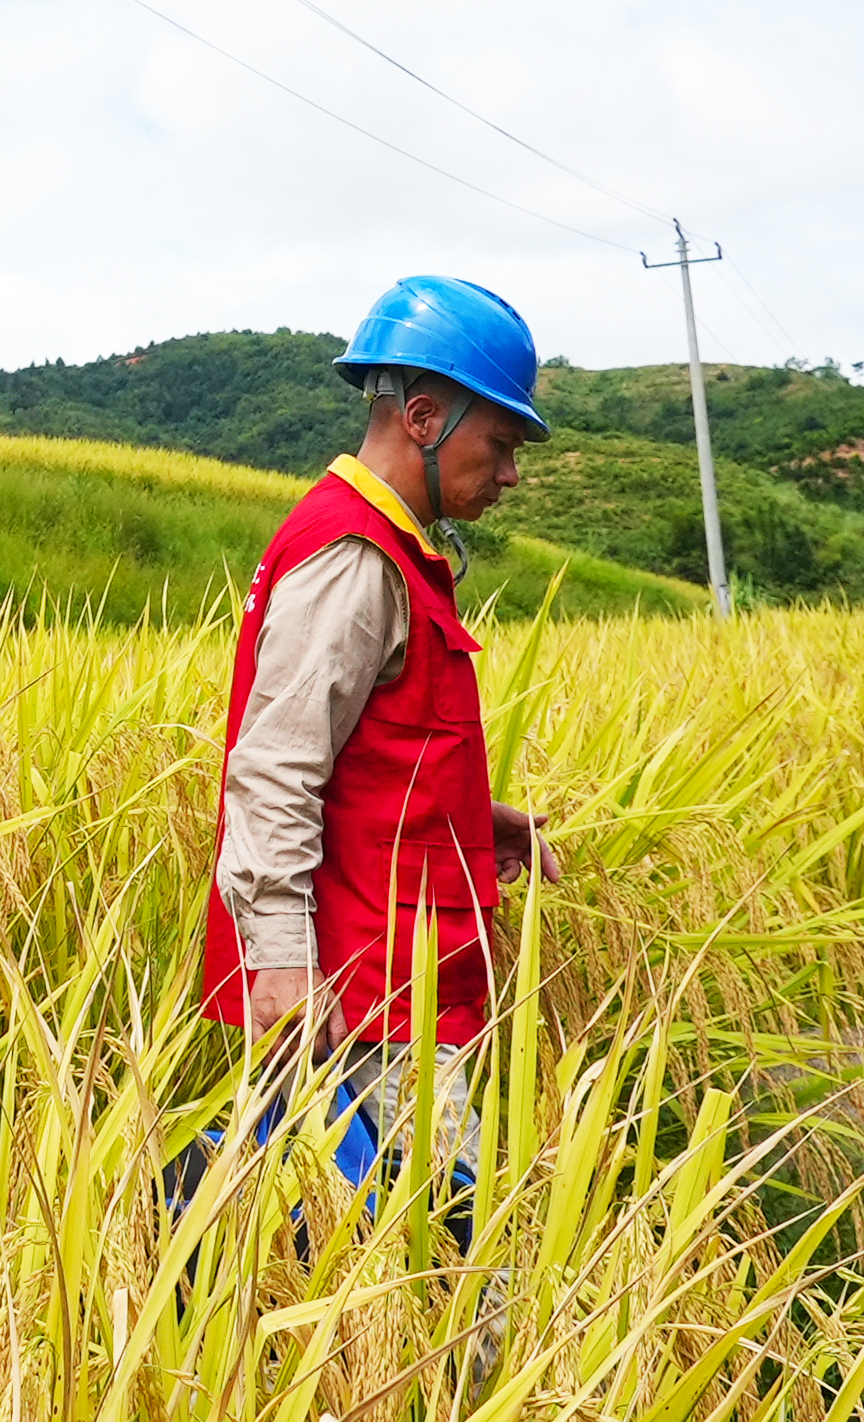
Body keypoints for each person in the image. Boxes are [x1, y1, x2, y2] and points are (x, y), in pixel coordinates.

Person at [194, 273, 564, 1163]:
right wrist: (280, 956)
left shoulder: (383, 544)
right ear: (426, 418)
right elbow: (276, 767)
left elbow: (367, 755)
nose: (511, 472)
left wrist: (472, 822)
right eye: (502, 442)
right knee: (448, 1262)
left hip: (383, 982)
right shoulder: (354, 556)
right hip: (362, 997)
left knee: (354, 1251)